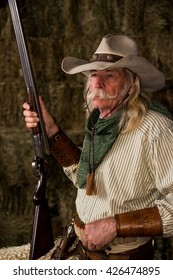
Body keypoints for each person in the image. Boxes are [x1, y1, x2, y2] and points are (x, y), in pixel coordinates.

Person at [1, 34, 173, 260]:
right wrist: (51, 130)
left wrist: (115, 225)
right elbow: (86, 179)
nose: (97, 83)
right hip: (80, 249)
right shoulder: (101, 120)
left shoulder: (156, 128)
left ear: (132, 85)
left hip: (121, 261)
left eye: (109, 75)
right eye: (93, 74)